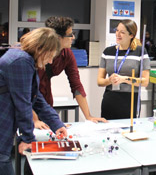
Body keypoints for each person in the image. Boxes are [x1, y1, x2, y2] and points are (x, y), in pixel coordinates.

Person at [0, 27, 67, 174]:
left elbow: (35, 97)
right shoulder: (20, 61)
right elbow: (23, 103)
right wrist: (28, 138)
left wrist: (56, 123)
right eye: (49, 56)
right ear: (40, 48)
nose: (50, 61)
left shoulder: (23, 56)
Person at [32, 16, 106, 130]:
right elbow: (26, 91)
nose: (73, 37)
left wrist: (88, 116)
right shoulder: (36, 53)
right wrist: (35, 119)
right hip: (27, 109)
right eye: (70, 34)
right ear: (57, 38)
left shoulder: (67, 54)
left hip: (45, 104)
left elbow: (76, 85)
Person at [97, 19, 150, 120]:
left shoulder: (140, 51)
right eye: (117, 31)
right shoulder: (108, 52)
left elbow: (145, 82)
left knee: (127, 131)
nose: (118, 34)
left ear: (131, 35)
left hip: (129, 100)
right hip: (110, 98)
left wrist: (124, 79)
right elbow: (100, 81)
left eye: (122, 32)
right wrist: (110, 80)